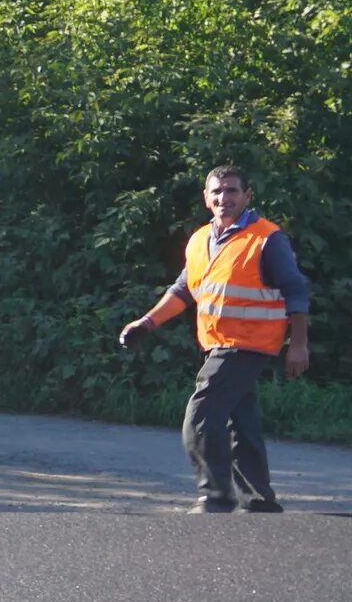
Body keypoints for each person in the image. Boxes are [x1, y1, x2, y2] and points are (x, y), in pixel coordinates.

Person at [117, 162, 312, 513]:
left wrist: (298, 344)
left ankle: (216, 495)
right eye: (217, 192)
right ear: (207, 199)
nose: (225, 197)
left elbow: (296, 290)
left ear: (247, 196)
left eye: (232, 190)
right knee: (243, 418)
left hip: (247, 345)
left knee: (201, 414)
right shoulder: (199, 241)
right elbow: (183, 291)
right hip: (217, 344)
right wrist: (146, 323)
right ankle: (259, 499)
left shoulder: (267, 239)